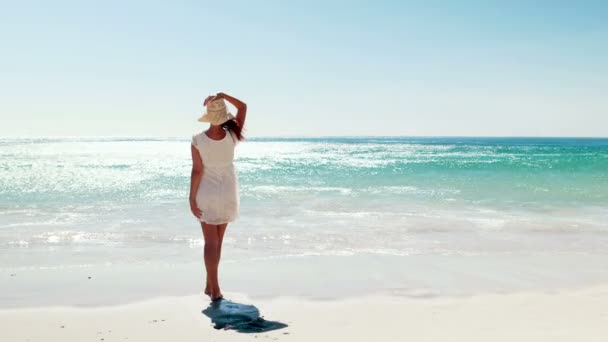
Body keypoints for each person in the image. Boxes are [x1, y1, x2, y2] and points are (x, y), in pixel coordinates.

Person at [189, 92, 246, 301]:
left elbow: (197, 171)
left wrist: (191, 199)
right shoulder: (233, 136)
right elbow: (243, 107)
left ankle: (214, 289)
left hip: (207, 192)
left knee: (210, 243)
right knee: (218, 242)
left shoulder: (197, 140)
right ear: (224, 115)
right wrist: (223, 95)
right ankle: (210, 285)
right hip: (228, 192)